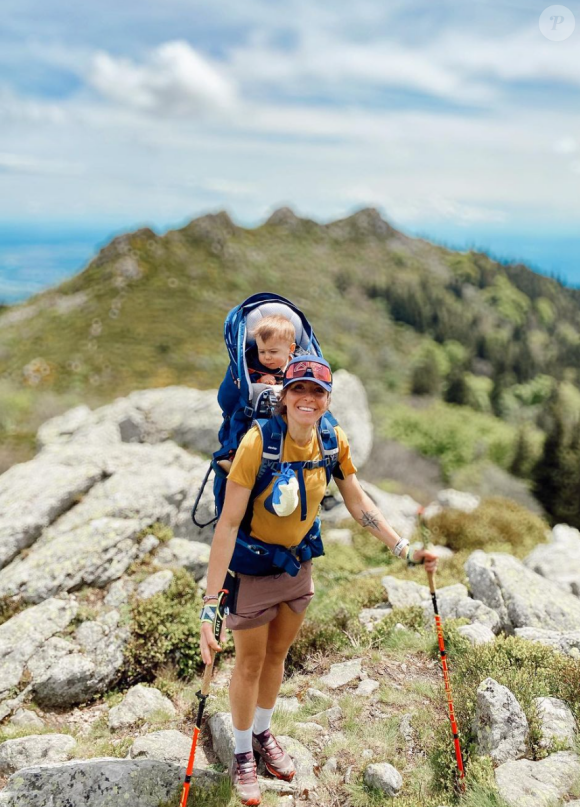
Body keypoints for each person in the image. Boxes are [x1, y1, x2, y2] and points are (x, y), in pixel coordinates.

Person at [200, 356, 438, 806]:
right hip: (251, 569)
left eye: (318, 392)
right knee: (248, 664)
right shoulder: (258, 444)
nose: (308, 399)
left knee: (277, 656)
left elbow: (357, 500)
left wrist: (404, 549)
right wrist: (209, 606)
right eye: (299, 391)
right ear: (285, 398)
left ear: (328, 400)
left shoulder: (332, 440)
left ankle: (263, 733)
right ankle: (241, 753)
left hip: (298, 566)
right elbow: (227, 525)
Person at [246, 315, 296, 385]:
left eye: (273, 352)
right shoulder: (254, 366)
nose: (267, 357)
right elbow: (245, 383)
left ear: (291, 349)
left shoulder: (300, 365)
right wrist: (260, 381)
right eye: (262, 352)